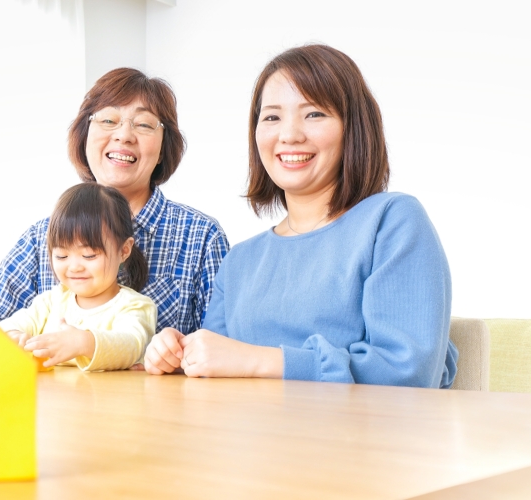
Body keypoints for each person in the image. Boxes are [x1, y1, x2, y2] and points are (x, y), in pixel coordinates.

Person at [145, 44, 458, 388]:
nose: (290, 135)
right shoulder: (240, 261)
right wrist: (178, 355)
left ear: (354, 127)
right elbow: (215, 368)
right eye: (272, 117)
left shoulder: (392, 221)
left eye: (314, 114)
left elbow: (409, 372)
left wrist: (258, 361)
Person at [0, 68, 229, 337]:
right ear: (85, 135)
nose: (124, 135)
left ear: (162, 150)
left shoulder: (201, 236)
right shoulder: (40, 237)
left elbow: (223, 347)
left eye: (144, 124)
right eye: (109, 120)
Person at [0, 183, 156, 371]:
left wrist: (84, 343)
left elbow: (131, 345)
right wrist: (14, 336)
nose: (74, 267)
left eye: (89, 255)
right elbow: (3, 328)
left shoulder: (135, 306)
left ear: (124, 250)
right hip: (53, 390)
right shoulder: (51, 302)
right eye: (61, 256)